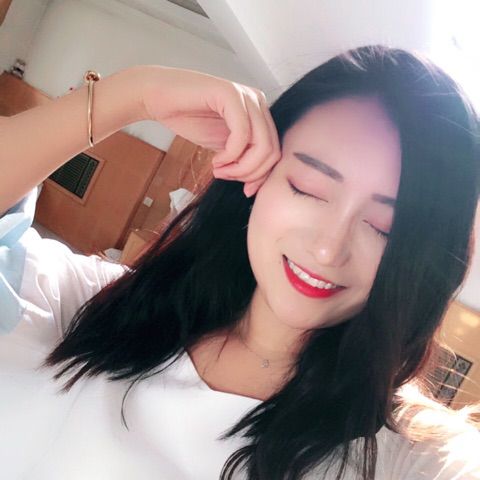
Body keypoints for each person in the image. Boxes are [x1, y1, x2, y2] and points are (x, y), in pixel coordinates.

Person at [0, 45, 479, 479]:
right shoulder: (101, 308)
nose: (328, 249)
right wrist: (133, 94)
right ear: (259, 173)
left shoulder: (405, 456)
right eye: (308, 189)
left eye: (384, 228)